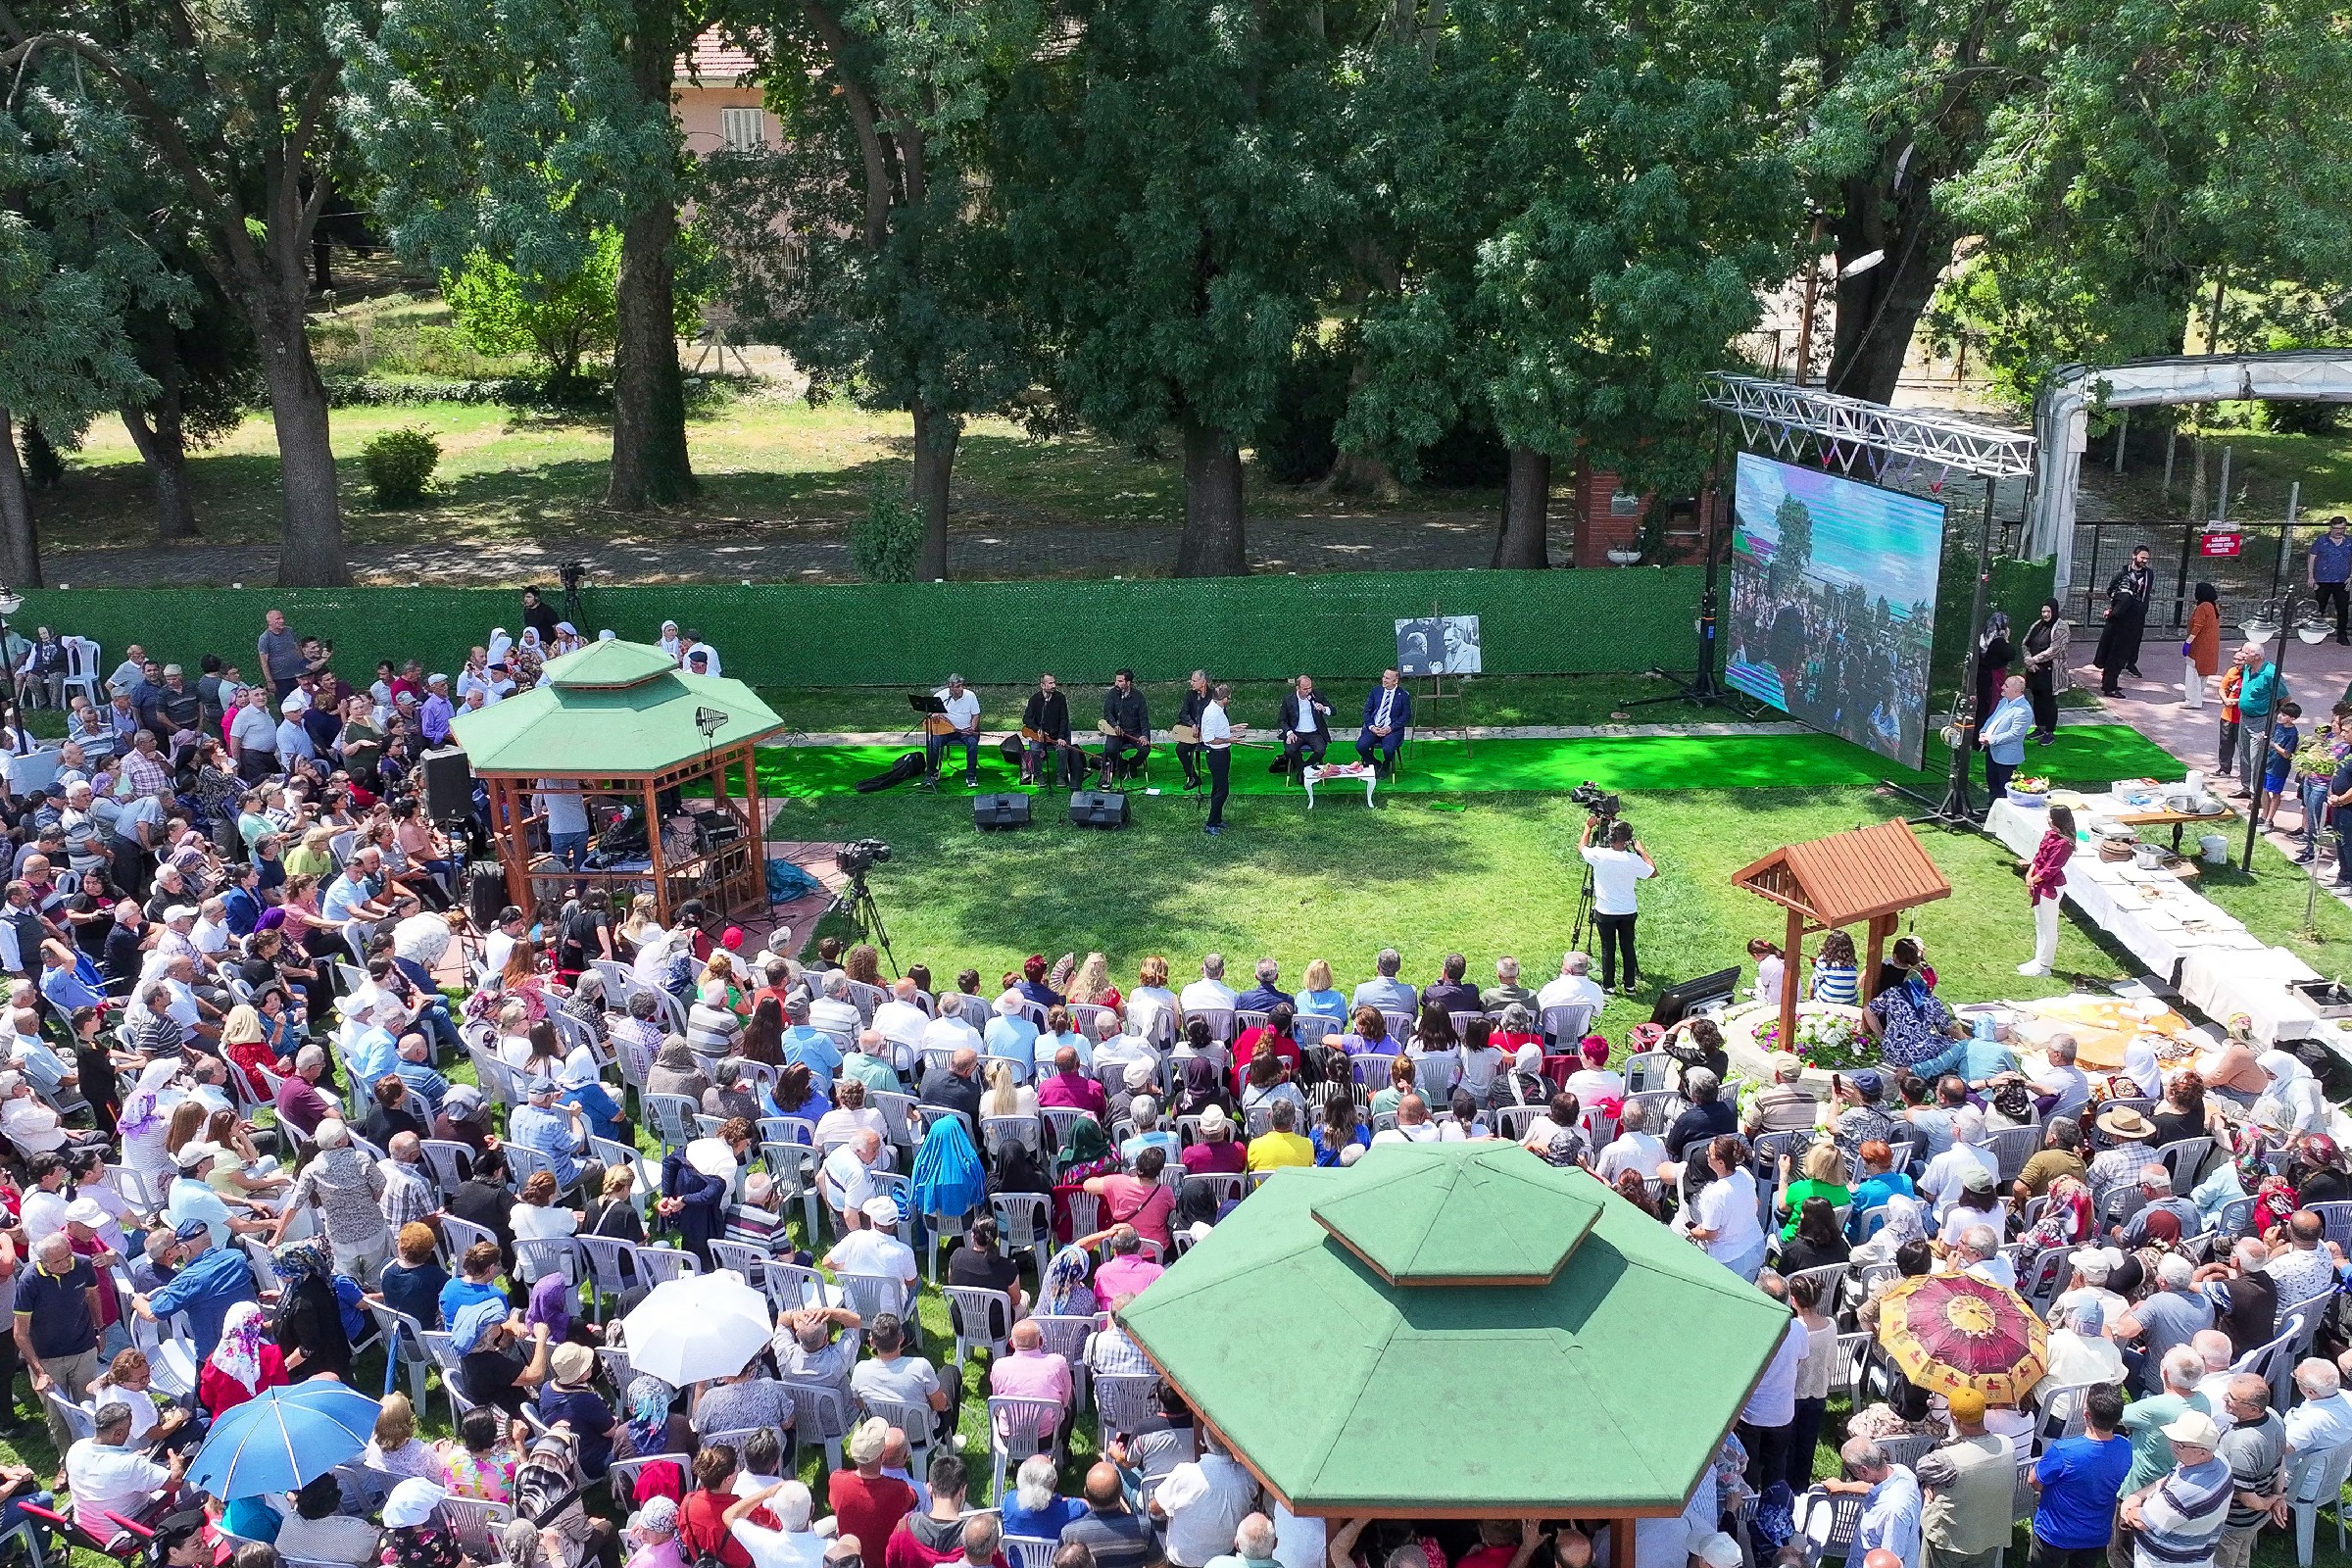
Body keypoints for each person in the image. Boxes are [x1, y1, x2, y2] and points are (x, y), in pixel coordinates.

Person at [2027, 1386, 2131, 1568]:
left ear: (2086, 1415)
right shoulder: (2125, 1447)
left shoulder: (2064, 1451)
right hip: (2095, 1534)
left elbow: (2034, 1481)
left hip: (2055, 1533)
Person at [2117, 1410, 2231, 1568]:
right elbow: (2171, 1476)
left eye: (2180, 1445)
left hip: (2165, 1563)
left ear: (2202, 1452)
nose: (2172, 1446)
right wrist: (2138, 1495)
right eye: (2173, 1440)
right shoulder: (2219, 1461)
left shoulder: (2183, 1493)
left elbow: (2143, 1521)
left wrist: (2127, 1510)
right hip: (2199, 1556)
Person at [1914, 1388, 2013, 1568]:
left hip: (1949, 1542)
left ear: (1955, 1418)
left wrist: (1930, 1484)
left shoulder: (1945, 1459)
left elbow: (1921, 1468)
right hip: (1989, 1537)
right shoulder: (2007, 1444)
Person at [1576, 817, 1654, 993]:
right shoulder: (1633, 859)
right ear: (1628, 840)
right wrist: (1642, 851)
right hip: (1628, 912)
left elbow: (1581, 847)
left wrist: (1588, 827)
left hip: (1605, 912)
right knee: (1628, 947)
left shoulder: (1599, 855)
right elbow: (1652, 872)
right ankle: (1630, 985)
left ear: (1609, 838)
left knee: (1607, 949)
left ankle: (1609, 986)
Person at [1062, 1460, 1164, 1568]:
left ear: (1085, 1492)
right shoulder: (1144, 1527)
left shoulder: (1069, 1533)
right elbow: (1159, 1565)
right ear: (1121, 1491)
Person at [2021, 803, 2077, 977]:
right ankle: (2038, 959)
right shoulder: (2050, 835)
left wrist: (2033, 880)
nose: (2047, 819)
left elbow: (2050, 870)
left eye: (2050, 817)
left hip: (2050, 887)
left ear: (2056, 821)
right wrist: (2030, 874)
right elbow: (2038, 858)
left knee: (2048, 926)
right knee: (2040, 923)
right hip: (2039, 883)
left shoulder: (2064, 844)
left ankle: (2045, 965)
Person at [2094, 544, 2155, 696]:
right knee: (2116, 653)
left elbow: (2145, 595)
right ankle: (2110, 685)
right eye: (2142, 557)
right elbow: (2111, 591)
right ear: (2134, 556)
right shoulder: (2122, 572)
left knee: (2129, 648)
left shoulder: (2149, 574)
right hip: (2121, 618)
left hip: (2137, 618)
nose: (2145, 561)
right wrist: (2120, 601)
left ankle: (2115, 677)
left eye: (2147, 558)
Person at [2020, 598, 2071, 742]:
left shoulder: (2061, 627)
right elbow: (2025, 644)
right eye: (2043, 611)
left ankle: (2049, 731)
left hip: (2051, 671)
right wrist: (2029, 662)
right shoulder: (2037, 625)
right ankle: (2040, 727)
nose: (2045, 614)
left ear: (2054, 611)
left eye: (2048, 611)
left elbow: (2055, 649)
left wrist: (2034, 660)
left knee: (2049, 701)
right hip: (2035, 670)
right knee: (2037, 699)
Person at [1980, 674, 2034, 802]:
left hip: (2007, 758)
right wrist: (1983, 731)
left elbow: (2015, 734)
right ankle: (1991, 809)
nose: (2002, 687)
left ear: (2016, 691)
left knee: (2004, 790)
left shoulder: (2023, 710)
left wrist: (1991, 739)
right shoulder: (2004, 701)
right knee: (1992, 784)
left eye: (2006, 686)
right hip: (1993, 752)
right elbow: (1993, 718)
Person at [1200, 682, 1242, 836]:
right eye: (1228, 698)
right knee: (1222, 790)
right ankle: (1210, 823)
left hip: (1223, 753)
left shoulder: (1218, 708)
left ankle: (1217, 819)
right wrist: (1229, 740)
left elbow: (1219, 729)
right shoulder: (1211, 713)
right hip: (1217, 756)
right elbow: (1209, 739)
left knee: (1218, 788)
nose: (1229, 700)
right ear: (1223, 698)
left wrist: (1233, 728)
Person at [925, 675, 982, 788]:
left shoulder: (970, 696)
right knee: (933, 743)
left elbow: (976, 715)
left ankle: (971, 775)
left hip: (965, 731)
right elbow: (929, 713)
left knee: (972, 744)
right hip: (944, 731)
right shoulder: (940, 696)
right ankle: (931, 774)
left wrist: (972, 728)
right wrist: (933, 714)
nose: (960, 689)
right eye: (957, 687)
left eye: (961, 686)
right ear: (950, 688)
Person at [1353, 668, 1411, 773]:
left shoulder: (1403, 695)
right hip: (1374, 728)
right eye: (1384, 677)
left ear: (1395, 681)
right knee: (1360, 746)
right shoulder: (1376, 691)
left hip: (1392, 730)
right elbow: (1366, 712)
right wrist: (1372, 727)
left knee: (1388, 750)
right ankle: (1375, 763)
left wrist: (1390, 728)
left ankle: (1386, 763)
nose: (1383, 680)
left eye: (1387, 678)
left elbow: (1406, 716)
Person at [1097, 669, 1151, 784]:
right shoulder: (1112, 693)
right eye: (1116, 680)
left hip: (1134, 731)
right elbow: (1107, 712)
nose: (1117, 683)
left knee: (1145, 749)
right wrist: (1115, 725)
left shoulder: (1138, 696)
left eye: (1120, 681)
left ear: (1128, 683)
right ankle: (1121, 765)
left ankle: (1133, 764)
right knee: (1110, 749)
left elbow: (1144, 718)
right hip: (1116, 732)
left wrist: (1144, 736)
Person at [2309, 514, 2352, 645]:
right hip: (2322, 579)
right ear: (2331, 528)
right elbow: (2312, 557)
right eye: (2337, 528)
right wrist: (2311, 576)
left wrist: (2351, 576)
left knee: (2343, 609)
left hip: (2342, 580)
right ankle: (2316, 635)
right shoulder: (2322, 540)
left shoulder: (2350, 541)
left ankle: (2342, 635)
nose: (2339, 531)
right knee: (2319, 608)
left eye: (2343, 528)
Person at [1277, 675, 1331, 773]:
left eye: (1310, 687)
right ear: (1298, 688)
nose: (1309, 691)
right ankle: (1304, 769)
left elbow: (1333, 711)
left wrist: (1324, 708)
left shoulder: (1318, 695)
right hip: (1296, 733)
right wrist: (1289, 732)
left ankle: (1304, 769)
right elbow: (1281, 720)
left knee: (1321, 750)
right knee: (1290, 750)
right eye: (1305, 689)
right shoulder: (1289, 700)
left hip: (1314, 733)